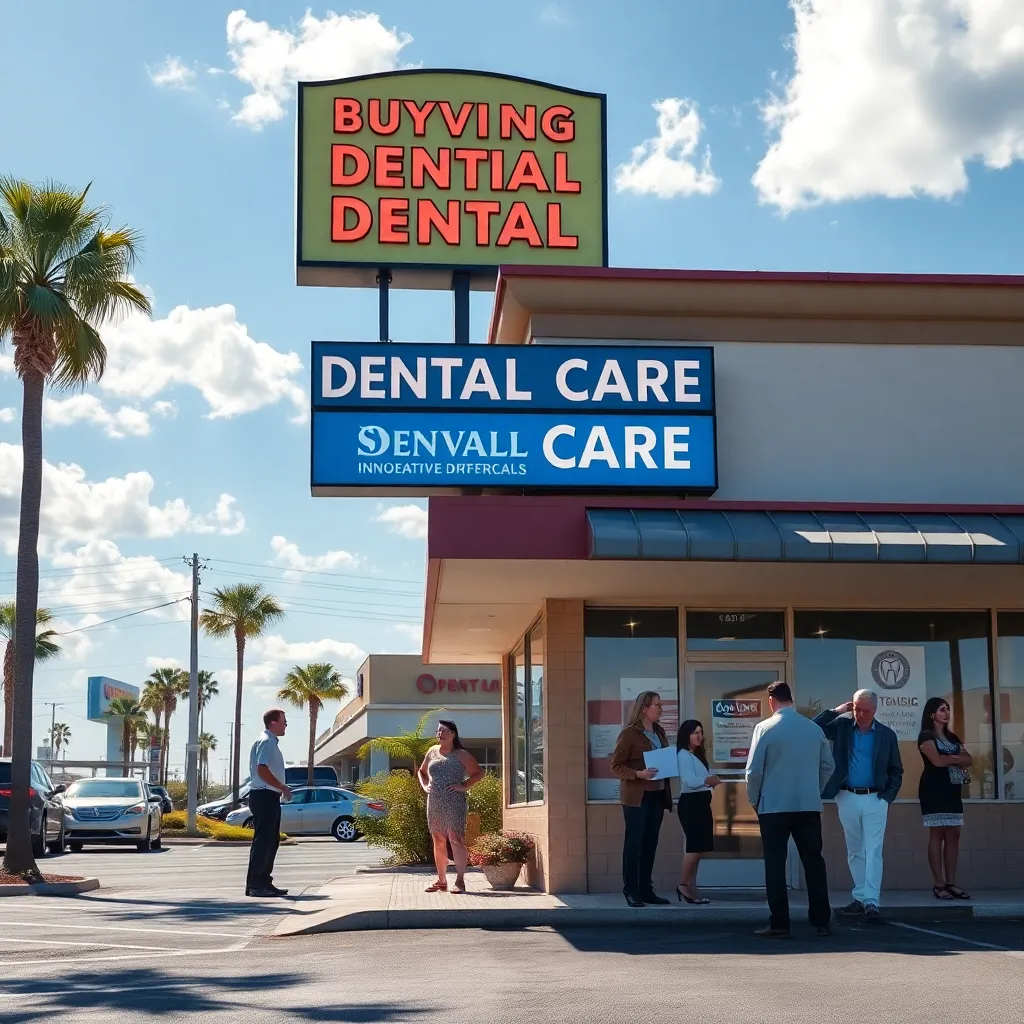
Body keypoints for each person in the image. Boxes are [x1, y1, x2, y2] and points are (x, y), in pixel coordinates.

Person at [745, 681, 835, 939]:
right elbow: (828, 766)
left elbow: (754, 771)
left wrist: (755, 800)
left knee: (775, 864)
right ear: (791, 699)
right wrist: (813, 790)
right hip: (807, 805)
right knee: (814, 862)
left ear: (771, 700)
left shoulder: (764, 728)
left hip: (773, 807)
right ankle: (821, 922)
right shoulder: (813, 728)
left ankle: (779, 924)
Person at [814, 690, 904, 924]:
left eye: (865, 710)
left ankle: (872, 902)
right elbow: (814, 727)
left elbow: (896, 769)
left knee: (873, 850)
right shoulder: (842, 727)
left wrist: (888, 796)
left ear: (875, 711)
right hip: (847, 796)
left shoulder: (886, 735)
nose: (860, 714)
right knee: (855, 850)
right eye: (856, 708)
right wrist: (836, 711)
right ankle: (860, 896)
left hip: (876, 798)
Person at [610, 690, 673, 907]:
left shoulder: (660, 732)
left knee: (650, 843)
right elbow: (616, 766)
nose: (661, 708)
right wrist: (638, 774)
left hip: (658, 794)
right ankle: (631, 891)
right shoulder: (629, 734)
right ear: (644, 708)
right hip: (637, 797)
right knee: (634, 843)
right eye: (657, 705)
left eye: (661, 705)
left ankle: (647, 890)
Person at [417, 719, 485, 895]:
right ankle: (441, 880)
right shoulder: (432, 752)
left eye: (444, 731)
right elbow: (422, 772)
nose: (439, 733)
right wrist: (425, 786)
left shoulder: (461, 754)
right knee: (438, 840)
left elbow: (479, 772)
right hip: (435, 801)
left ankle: (460, 881)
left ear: (453, 734)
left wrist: (464, 786)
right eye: (438, 731)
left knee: (456, 838)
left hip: (454, 801)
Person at [918, 697, 973, 901]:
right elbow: (937, 761)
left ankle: (951, 883)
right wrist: (956, 758)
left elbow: (969, 759)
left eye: (948, 709)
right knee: (937, 833)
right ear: (932, 713)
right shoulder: (926, 735)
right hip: (933, 789)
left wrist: (954, 758)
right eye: (942, 709)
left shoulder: (952, 737)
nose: (946, 713)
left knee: (954, 834)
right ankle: (938, 884)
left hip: (952, 790)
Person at [245, 708, 291, 898]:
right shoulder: (266, 741)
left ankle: (264, 882)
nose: (286, 724)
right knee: (264, 842)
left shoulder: (270, 742)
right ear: (273, 722)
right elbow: (262, 769)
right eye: (284, 721)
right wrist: (282, 786)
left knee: (272, 841)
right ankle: (255, 884)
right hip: (263, 795)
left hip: (269, 796)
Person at [674, 719, 721, 904]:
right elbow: (692, 781)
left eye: (701, 732)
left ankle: (691, 887)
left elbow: (700, 779)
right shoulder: (683, 755)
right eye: (695, 732)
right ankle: (683, 886)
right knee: (694, 847)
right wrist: (710, 781)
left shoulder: (696, 755)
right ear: (686, 735)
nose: (699, 736)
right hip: (692, 805)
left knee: (700, 847)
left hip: (701, 803)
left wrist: (710, 781)